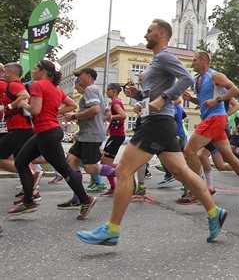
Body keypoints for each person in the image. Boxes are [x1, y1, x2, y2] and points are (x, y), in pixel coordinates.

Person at [77, 19, 227, 246]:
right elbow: (154, 96)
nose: (146, 34)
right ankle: (215, 212)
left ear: (162, 34)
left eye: (150, 31)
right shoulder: (156, 60)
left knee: (124, 171)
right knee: (183, 173)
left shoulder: (165, 56)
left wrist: (163, 98)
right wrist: (138, 96)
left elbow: (185, 78)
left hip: (156, 123)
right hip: (158, 121)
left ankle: (112, 229)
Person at [10, 60, 96, 219]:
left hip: (47, 132)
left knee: (64, 169)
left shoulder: (38, 85)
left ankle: (86, 199)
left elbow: (35, 110)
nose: (33, 71)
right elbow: (71, 105)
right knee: (21, 162)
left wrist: (23, 104)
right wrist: (54, 114)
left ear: (43, 72)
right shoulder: (55, 88)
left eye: (35, 68)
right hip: (47, 131)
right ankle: (29, 200)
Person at [180, 51, 239, 206]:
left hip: (215, 118)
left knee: (189, 150)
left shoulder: (214, 75)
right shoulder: (196, 79)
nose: (192, 62)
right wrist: (192, 99)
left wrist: (218, 100)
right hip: (210, 119)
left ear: (203, 61)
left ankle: (197, 190)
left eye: (195, 60)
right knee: (228, 157)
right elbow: (203, 101)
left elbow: (234, 89)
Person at [59, 68, 116, 208]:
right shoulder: (98, 91)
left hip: (91, 135)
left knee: (91, 168)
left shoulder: (90, 90)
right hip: (87, 134)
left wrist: (74, 116)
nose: (78, 79)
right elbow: (106, 114)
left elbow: (95, 110)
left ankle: (123, 173)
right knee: (71, 162)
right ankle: (78, 197)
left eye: (80, 76)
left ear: (89, 76)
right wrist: (90, 121)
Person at [100, 83, 127, 195]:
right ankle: (113, 186)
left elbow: (123, 115)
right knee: (105, 162)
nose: (106, 92)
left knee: (106, 162)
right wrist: (109, 128)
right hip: (115, 134)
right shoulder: (116, 101)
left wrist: (109, 117)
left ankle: (126, 172)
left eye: (108, 90)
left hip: (117, 136)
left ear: (114, 91)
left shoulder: (116, 102)